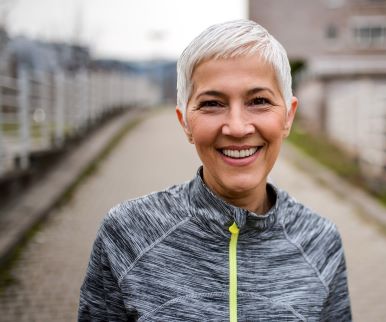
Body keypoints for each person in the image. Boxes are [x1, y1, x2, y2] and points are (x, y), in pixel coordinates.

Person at [78, 19, 352, 321]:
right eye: (212, 104)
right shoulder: (126, 234)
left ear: (288, 116)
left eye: (259, 101)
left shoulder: (320, 242)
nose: (237, 127)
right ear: (185, 122)